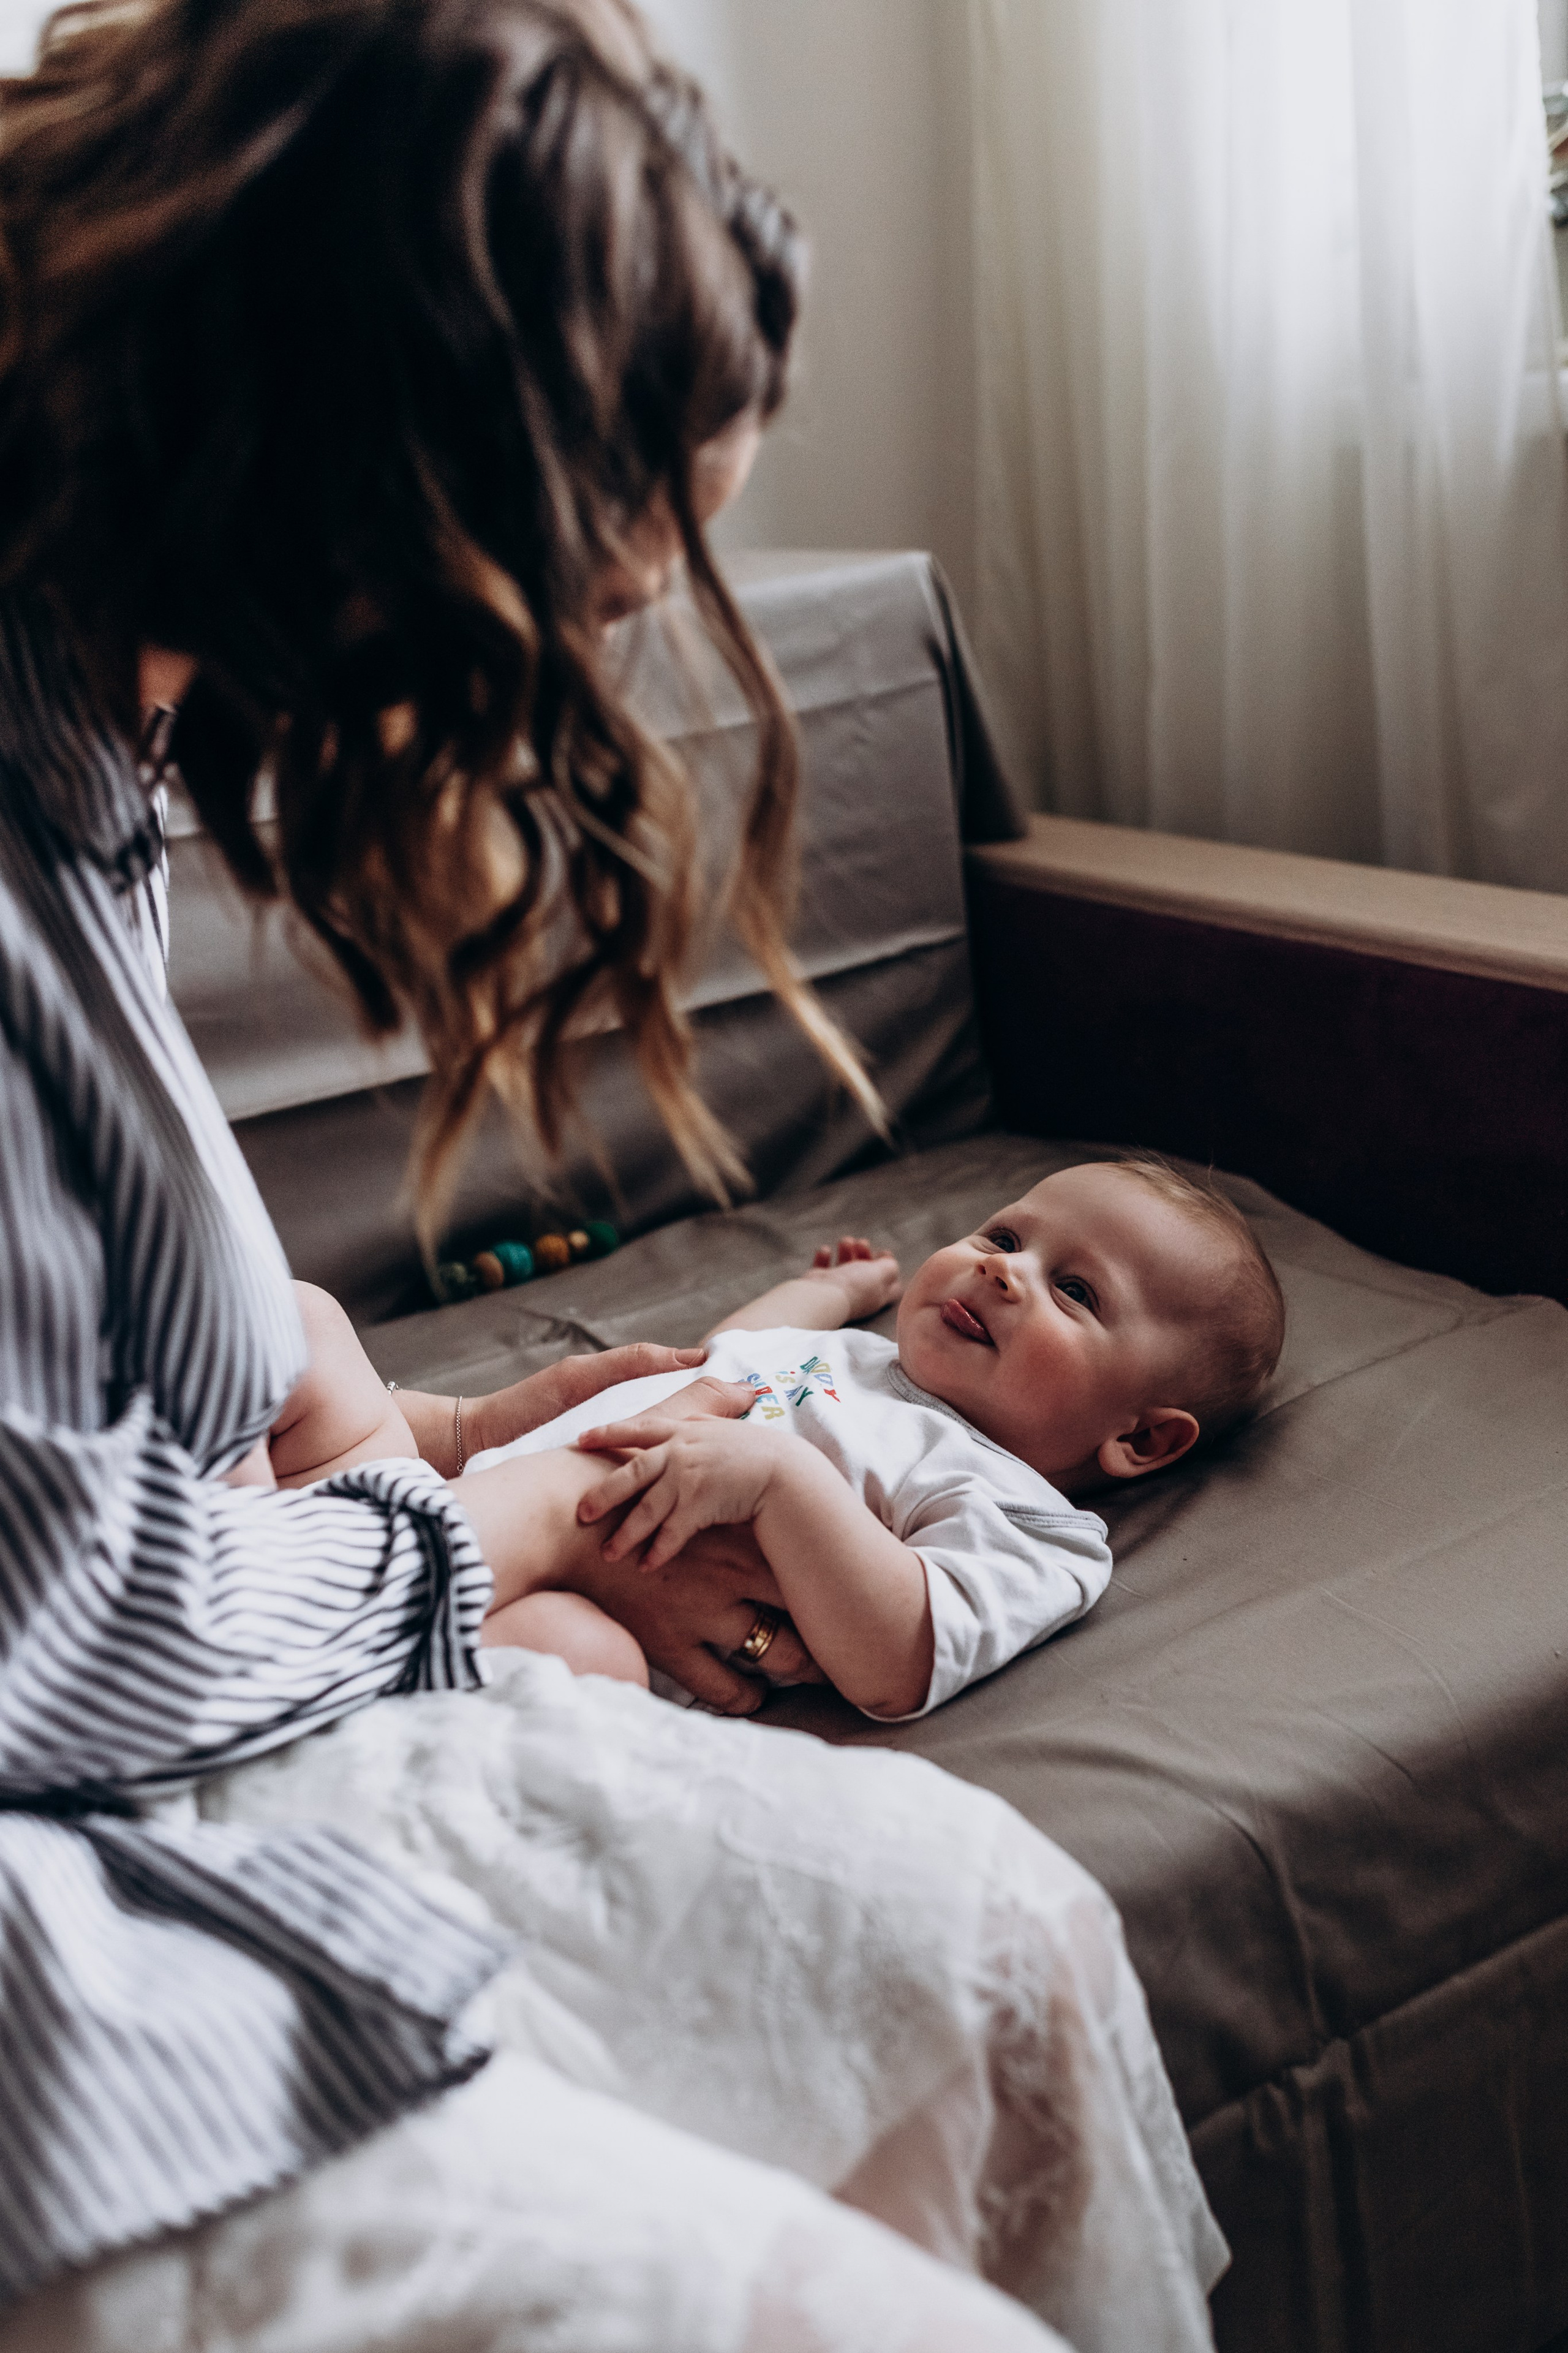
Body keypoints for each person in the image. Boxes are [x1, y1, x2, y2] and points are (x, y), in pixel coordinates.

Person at [0, 1, 1229, 2347]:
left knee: (1016, 1955)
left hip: (255, 1616)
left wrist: (456, 1438)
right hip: (83, 1830)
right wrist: (523, 1515)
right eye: (583, 595)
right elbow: (63, 1637)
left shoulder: (93, 724)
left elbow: (107, 1322)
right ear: (378, 479)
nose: (585, 670)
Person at [254, 1159, 1284, 1718]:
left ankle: (300, 1653)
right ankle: (267, 1571)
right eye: (1005, 1236)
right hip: (442, 1494)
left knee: (580, 1662)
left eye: (1076, 1291)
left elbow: (902, 1656)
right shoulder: (855, 1363)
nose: (1003, 1269)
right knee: (298, 1321)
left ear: (1142, 1439)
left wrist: (783, 1483)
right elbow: (738, 1351)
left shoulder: (1025, 1517)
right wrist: (831, 1290)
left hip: (522, 1604)